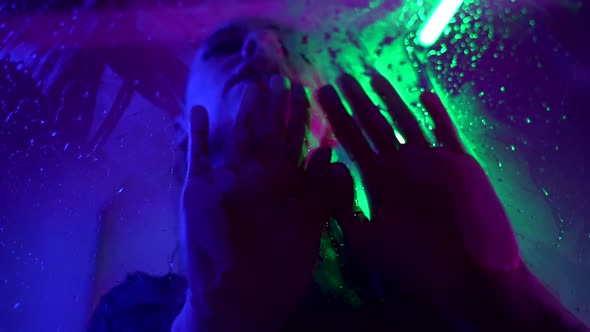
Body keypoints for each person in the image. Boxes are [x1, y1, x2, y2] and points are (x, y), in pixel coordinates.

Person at [90, 17, 589, 332]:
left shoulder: (414, 283)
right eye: (224, 47)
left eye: (293, 47)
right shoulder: (132, 312)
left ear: (328, 127)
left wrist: (500, 290)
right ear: (183, 128)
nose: (263, 44)